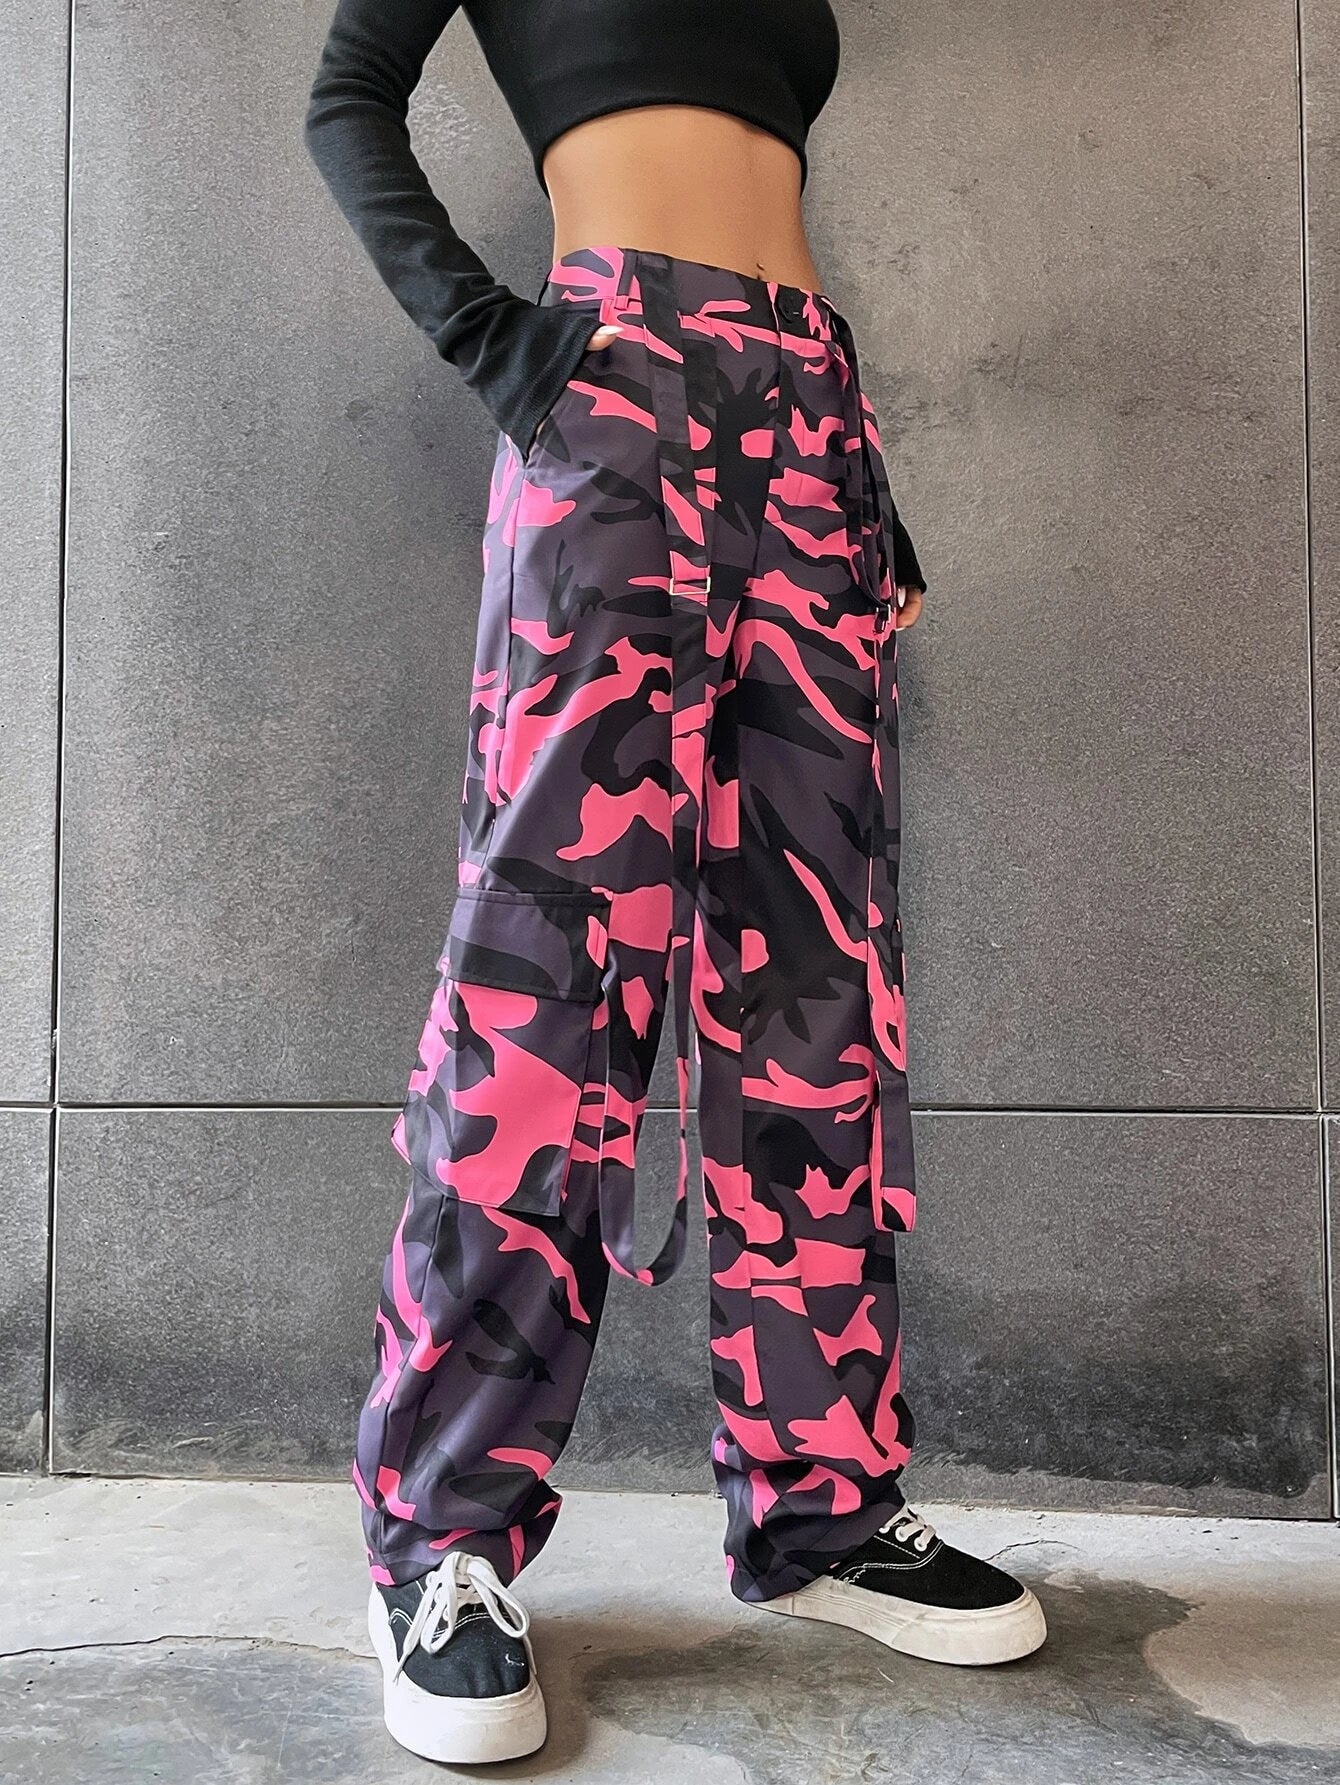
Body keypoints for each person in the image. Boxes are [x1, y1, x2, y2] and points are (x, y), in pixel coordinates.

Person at [304, 0, 1046, 1764]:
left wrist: (861, 487)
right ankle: (442, 1538)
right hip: (612, 387)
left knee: (819, 988)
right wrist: (501, 345)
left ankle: (823, 1501)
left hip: (814, 419)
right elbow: (348, 98)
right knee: (545, 981)